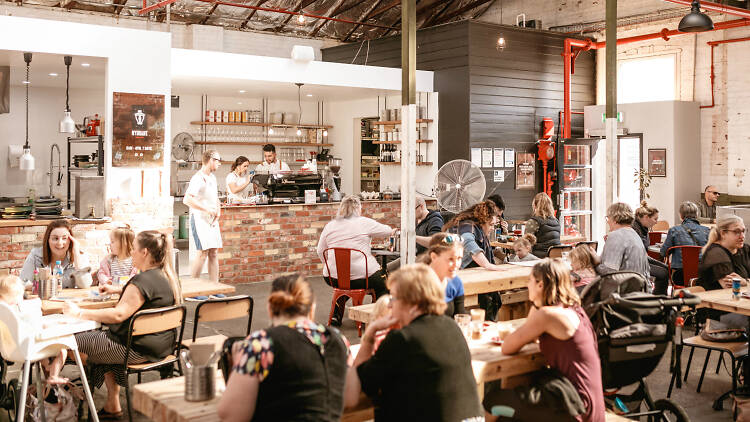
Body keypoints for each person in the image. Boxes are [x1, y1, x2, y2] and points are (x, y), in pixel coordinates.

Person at [64, 230, 181, 419]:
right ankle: (112, 403)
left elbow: (118, 315)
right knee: (100, 346)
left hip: (133, 350)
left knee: (70, 343)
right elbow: (142, 295)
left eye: (134, 249)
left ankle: (62, 398)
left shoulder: (140, 281)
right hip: (163, 346)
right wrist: (118, 289)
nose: (132, 252)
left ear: (144, 253)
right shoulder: (167, 277)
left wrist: (79, 312)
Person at [344, 264, 483, 422]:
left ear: (412, 302)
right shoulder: (452, 326)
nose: (389, 304)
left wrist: (370, 334)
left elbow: (359, 385)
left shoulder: (402, 339)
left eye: (393, 298)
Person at [483, 259, 605, 422]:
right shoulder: (573, 309)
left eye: (529, 281)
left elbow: (508, 347)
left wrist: (535, 310)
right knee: (514, 391)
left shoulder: (547, 315)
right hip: (584, 401)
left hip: (575, 408)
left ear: (540, 285)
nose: (527, 285)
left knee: (493, 402)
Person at [218, 274, 350, 422]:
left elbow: (230, 414)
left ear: (270, 308)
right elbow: (350, 397)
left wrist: (239, 364)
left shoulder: (260, 344)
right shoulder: (339, 340)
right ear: (312, 308)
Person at [317, 195, 394, 326]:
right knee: (384, 282)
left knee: (344, 284)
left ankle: (336, 315)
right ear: (358, 208)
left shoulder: (330, 226)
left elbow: (320, 250)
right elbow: (388, 231)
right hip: (363, 277)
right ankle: (378, 316)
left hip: (332, 277)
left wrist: (330, 267)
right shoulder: (364, 222)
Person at [0, 275, 68, 384]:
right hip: (28, 347)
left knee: (41, 351)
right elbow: (38, 326)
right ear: (16, 297)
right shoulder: (20, 313)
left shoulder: (5, 313)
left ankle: (47, 366)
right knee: (63, 349)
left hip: (11, 349)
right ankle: (53, 375)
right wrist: (55, 324)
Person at [444, 200, 504, 319]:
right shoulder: (469, 228)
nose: (492, 228)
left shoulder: (463, 225)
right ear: (483, 220)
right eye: (491, 224)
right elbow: (468, 242)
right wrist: (488, 265)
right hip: (456, 280)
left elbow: (442, 240)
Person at [183, 150, 222, 282]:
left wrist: (218, 209)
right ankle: (193, 287)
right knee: (202, 253)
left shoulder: (212, 177)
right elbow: (187, 199)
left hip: (212, 221)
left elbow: (215, 197)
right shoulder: (198, 178)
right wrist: (206, 209)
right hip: (200, 219)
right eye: (218, 160)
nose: (219, 163)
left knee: (214, 252)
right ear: (211, 160)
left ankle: (214, 287)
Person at [20, 219, 90, 288]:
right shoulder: (36, 255)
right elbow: (22, 282)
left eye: (64, 238)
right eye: (55, 238)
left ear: (70, 241)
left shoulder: (78, 255)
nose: (60, 243)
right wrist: (43, 287)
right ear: (48, 240)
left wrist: (76, 256)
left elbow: (85, 285)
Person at [387, 196, 444, 273]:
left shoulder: (435, 220)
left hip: (426, 259)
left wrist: (413, 237)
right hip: (413, 254)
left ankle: (380, 276)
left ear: (421, 206)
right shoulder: (416, 220)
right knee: (382, 258)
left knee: (400, 262)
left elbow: (435, 242)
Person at [597, 203, 650, 283]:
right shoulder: (634, 234)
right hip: (640, 289)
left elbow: (609, 272)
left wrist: (593, 265)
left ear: (615, 219)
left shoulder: (616, 235)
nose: (607, 222)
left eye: (608, 218)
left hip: (624, 291)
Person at [660, 201, 710, 285]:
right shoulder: (707, 231)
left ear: (680, 215)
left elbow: (663, 252)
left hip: (680, 274)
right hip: (701, 273)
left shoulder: (674, 230)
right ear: (697, 215)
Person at [697, 215, 750, 291]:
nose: (742, 236)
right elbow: (731, 288)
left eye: (743, 231)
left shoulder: (745, 249)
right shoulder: (716, 253)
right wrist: (745, 282)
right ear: (723, 233)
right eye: (737, 232)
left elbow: (741, 284)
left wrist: (745, 282)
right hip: (715, 300)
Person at [419, 232, 466, 317]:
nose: (457, 264)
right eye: (451, 259)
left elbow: (460, 316)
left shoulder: (455, 282)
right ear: (434, 257)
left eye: (459, 258)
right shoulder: (418, 283)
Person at [632, 201, 669, 295]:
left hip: (642, 258)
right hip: (635, 262)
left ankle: (659, 296)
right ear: (646, 217)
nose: (656, 222)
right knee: (663, 273)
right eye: (655, 219)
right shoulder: (634, 229)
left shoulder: (644, 228)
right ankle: (658, 298)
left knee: (667, 268)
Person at [525, 193, 561, 258]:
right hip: (556, 258)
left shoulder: (533, 221)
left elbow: (525, 245)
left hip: (539, 258)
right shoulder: (556, 221)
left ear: (535, 205)